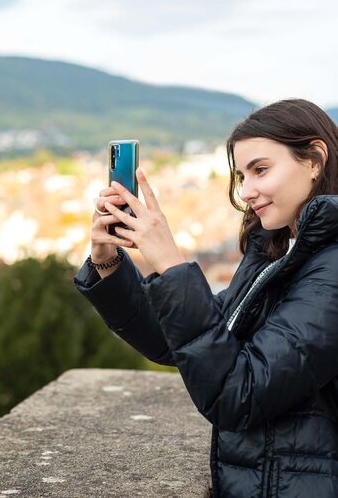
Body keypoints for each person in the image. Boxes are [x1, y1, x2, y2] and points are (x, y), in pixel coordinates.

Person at [74, 99, 338, 497]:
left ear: (315, 159)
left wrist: (170, 263)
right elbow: (188, 344)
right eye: (241, 176)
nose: (247, 191)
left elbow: (239, 392)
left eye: (260, 170)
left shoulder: (331, 267)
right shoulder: (279, 250)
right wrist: (108, 263)